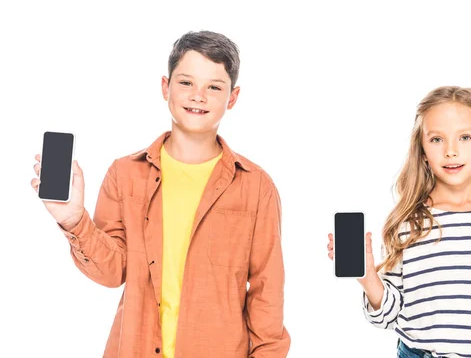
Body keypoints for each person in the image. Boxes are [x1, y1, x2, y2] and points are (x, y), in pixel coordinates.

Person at [31, 30, 291, 358]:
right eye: (186, 83)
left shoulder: (256, 188)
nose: (198, 96)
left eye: (214, 87)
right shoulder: (125, 174)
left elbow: (267, 295)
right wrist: (74, 221)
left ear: (233, 97)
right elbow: (113, 273)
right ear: (165, 87)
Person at [327, 86, 471, 358]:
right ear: (422, 150)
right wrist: (368, 277)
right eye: (436, 140)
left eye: (465, 137)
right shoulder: (407, 223)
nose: (451, 151)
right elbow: (387, 316)